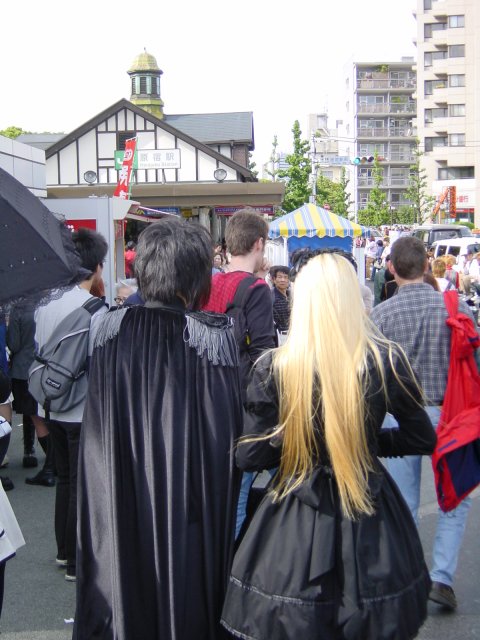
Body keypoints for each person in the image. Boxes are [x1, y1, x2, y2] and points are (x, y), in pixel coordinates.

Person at [221, 248, 436, 640]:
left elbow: (249, 454)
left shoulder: (276, 366)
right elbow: (421, 437)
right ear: (352, 300)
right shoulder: (384, 359)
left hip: (293, 517)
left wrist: (295, 438)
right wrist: (364, 442)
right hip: (369, 509)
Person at [74, 219, 243, 640]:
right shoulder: (211, 339)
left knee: (119, 567)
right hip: (187, 507)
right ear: (196, 274)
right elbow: (225, 440)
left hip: (118, 490)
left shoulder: (107, 331)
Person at [371, 235, 477, 612]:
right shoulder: (455, 306)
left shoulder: (380, 316)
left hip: (396, 418)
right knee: (455, 498)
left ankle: (406, 576)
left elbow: (371, 375)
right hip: (449, 415)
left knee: (402, 502)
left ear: (392, 268)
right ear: (427, 265)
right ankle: (442, 578)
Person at [33, 228, 108, 581]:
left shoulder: (44, 303)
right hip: (81, 409)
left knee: (64, 480)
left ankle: (64, 552)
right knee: (81, 484)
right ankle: (78, 563)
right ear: (96, 266)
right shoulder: (95, 309)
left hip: (49, 404)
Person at [202, 209, 276, 538]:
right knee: (241, 492)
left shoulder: (209, 283)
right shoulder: (256, 289)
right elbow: (262, 354)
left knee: (220, 495)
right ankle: (232, 574)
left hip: (207, 400)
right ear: (259, 243)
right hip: (241, 406)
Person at [6, 308, 54, 485]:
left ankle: (36, 454)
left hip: (23, 367)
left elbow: (14, 344)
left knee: (32, 413)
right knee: (43, 414)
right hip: (46, 367)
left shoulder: (19, 309)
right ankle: (48, 458)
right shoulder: (48, 304)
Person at [270, 266, 290, 344]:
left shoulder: (291, 295)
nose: (283, 280)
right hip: (280, 336)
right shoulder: (271, 296)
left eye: (286, 277)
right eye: (280, 277)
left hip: (292, 334)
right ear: (274, 280)